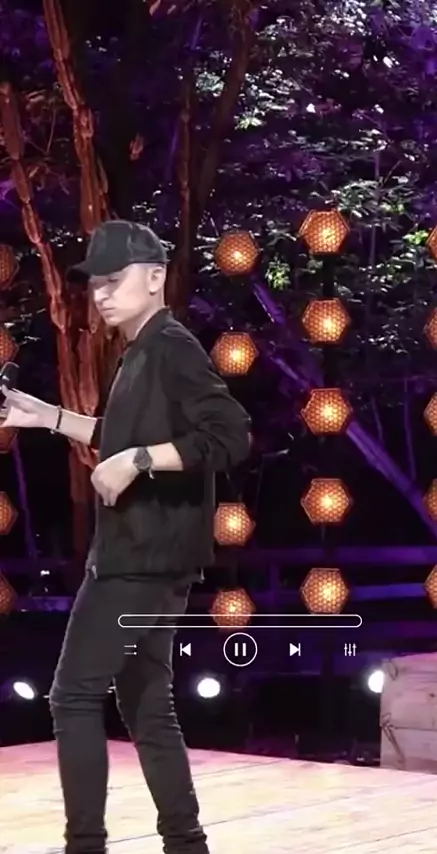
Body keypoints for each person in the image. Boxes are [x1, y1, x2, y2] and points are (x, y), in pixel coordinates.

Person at [0, 220, 251, 854]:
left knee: (73, 697)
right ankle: (185, 843)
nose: (102, 294)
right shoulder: (140, 351)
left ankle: (85, 844)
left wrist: (140, 460)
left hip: (137, 558)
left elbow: (229, 435)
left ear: (156, 277)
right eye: (96, 284)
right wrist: (48, 417)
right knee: (146, 705)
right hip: (153, 557)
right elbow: (120, 435)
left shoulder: (171, 346)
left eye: (115, 280)